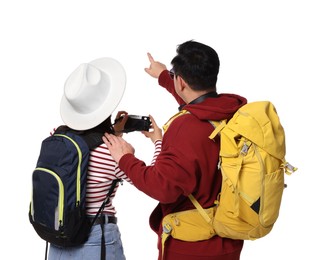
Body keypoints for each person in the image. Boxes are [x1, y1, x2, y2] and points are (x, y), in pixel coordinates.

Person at [103, 40, 247, 260]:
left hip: (191, 247)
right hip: (228, 241)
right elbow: (198, 102)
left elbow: (162, 187)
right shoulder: (234, 113)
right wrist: (164, 77)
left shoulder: (185, 128)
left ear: (180, 81)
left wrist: (125, 158)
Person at [48, 57, 162, 260]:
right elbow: (155, 182)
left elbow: (86, 148)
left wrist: (113, 133)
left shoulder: (55, 137)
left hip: (58, 236)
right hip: (94, 238)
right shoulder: (113, 155)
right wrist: (158, 141)